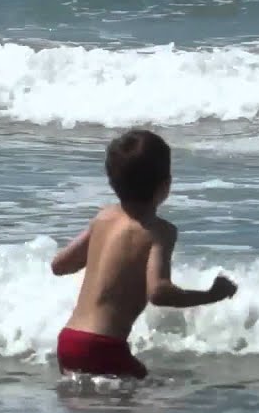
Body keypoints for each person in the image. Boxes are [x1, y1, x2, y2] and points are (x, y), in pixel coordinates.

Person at [50, 129, 238, 379]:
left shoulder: (103, 218)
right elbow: (158, 292)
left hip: (68, 341)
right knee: (159, 396)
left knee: (99, 401)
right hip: (104, 347)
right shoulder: (159, 232)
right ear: (165, 186)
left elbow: (59, 265)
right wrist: (211, 295)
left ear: (112, 182)